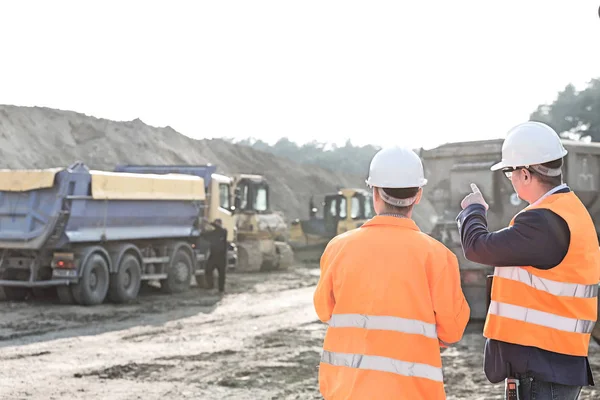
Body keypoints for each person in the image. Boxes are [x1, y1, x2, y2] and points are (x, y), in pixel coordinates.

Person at [313, 146, 470, 400]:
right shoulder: (438, 256)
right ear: (418, 195)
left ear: (374, 192)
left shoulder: (338, 248)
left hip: (347, 390)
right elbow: (452, 330)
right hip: (412, 392)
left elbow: (323, 309)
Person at [457, 121, 600, 399]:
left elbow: (477, 247)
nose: (509, 179)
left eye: (509, 173)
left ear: (524, 174)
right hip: (556, 360)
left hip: (542, 365)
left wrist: (473, 210)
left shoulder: (542, 220)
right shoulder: (569, 211)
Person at [204, 218, 228, 294]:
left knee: (221, 274)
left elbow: (219, 229)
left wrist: (209, 222)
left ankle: (221, 289)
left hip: (222, 256)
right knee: (208, 270)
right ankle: (211, 286)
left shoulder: (224, 231)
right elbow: (204, 235)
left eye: (218, 223)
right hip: (213, 255)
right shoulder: (212, 233)